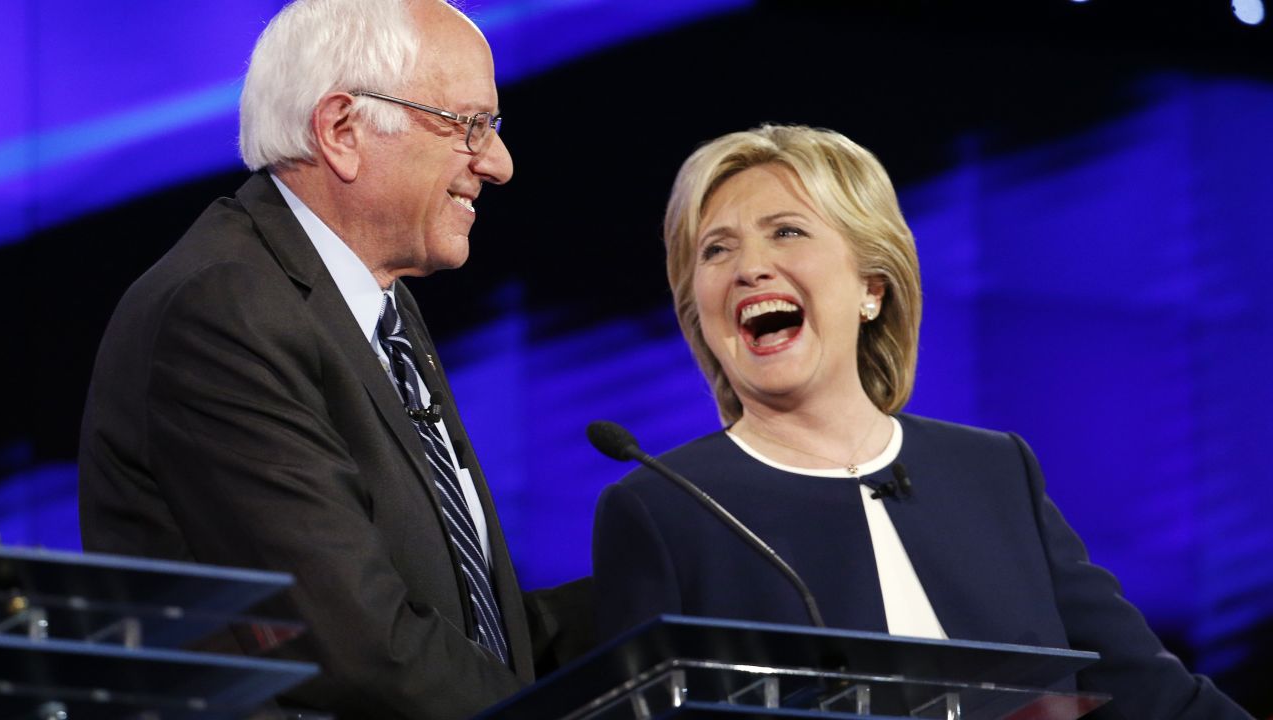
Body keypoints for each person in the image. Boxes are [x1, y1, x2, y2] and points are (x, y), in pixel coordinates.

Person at [591, 124, 1252, 719]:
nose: (749, 268)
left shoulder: (994, 472)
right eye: (715, 251)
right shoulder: (663, 507)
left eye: (787, 230)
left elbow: (1155, 695)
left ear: (871, 289)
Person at [78, 1, 589, 718]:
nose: (498, 163)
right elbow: (358, 643)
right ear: (343, 130)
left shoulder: (373, 303)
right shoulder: (225, 309)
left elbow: (454, 618)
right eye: (470, 125)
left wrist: (665, 581)